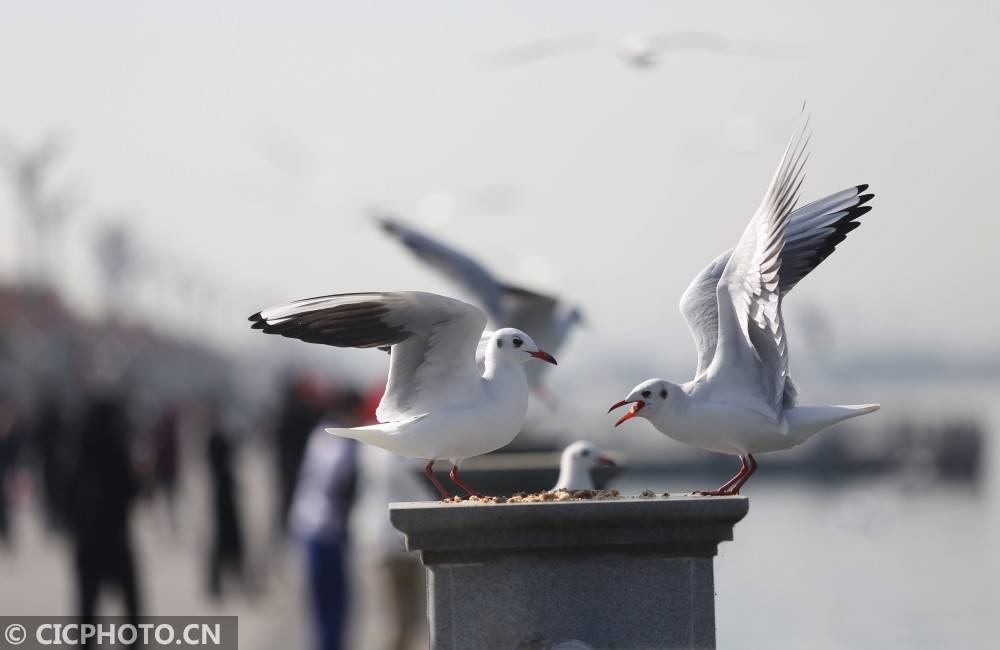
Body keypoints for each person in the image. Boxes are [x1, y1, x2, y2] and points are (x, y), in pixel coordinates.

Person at [289, 390, 362, 650]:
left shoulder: (321, 432)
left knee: (322, 604)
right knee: (333, 604)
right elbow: (337, 486)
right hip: (325, 528)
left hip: (306, 522)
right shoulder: (341, 442)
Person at [69, 395, 141, 628]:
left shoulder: (79, 452)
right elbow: (131, 492)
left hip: (87, 543)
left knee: (87, 606)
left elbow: (66, 496)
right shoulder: (117, 451)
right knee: (131, 604)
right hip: (115, 539)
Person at [205, 411, 246, 599]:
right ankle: (216, 582)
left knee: (229, 540)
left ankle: (230, 578)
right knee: (222, 539)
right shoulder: (214, 440)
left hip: (225, 494)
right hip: (222, 496)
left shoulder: (217, 439)